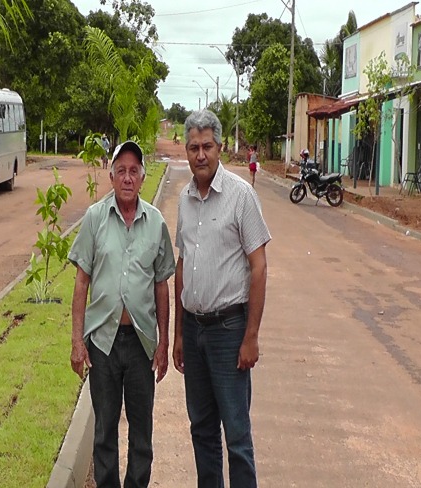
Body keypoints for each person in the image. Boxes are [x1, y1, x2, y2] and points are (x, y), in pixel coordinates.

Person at [69, 140, 176, 488]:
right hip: (103, 343)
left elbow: (162, 286)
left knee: (141, 435)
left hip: (141, 344)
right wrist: (77, 341)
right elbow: (82, 281)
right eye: (121, 171)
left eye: (134, 171)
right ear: (112, 177)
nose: (127, 178)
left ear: (143, 178)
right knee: (104, 432)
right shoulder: (95, 219)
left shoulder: (156, 223)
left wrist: (163, 344)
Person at [173, 109, 271, 488]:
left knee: (236, 434)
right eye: (194, 147)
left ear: (221, 147)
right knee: (202, 430)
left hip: (230, 331)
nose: (201, 155)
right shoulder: (184, 198)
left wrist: (251, 336)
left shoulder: (241, 196)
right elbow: (184, 264)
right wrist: (180, 334)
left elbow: (259, 268)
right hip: (195, 331)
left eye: (208, 147)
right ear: (186, 150)